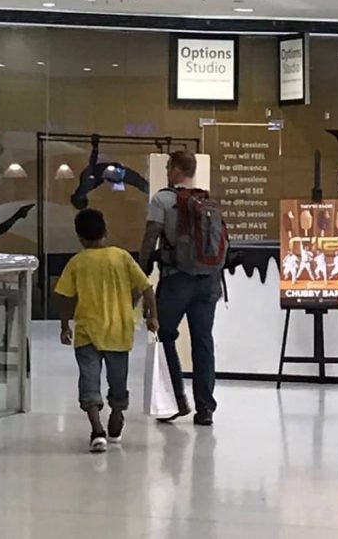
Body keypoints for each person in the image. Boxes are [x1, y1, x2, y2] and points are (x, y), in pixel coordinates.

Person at [56, 208, 158, 453]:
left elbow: (65, 297)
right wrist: (153, 316)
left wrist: (64, 325)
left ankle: (96, 430)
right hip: (118, 332)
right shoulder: (121, 257)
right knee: (118, 380)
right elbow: (146, 287)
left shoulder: (77, 262)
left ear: (79, 236)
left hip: (86, 332)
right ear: (105, 231)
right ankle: (117, 412)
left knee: (88, 381)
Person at [139, 151, 221, 427]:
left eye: (167, 167)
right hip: (209, 282)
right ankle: (205, 408)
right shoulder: (207, 201)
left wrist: (142, 274)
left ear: (174, 169)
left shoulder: (162, 200)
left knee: (164, 333)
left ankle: (176, 401)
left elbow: (150, 239)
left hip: (177, 280)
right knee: (203, 342)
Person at [70, 135, 149, 210]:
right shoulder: (85, 185)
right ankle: (151, 190)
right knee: (137, 181)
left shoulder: (85, 184)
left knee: (137, 181)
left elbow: (92, 165)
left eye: (81, 199)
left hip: (109, 172)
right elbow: (93, 168)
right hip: (109, 172)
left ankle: (151, 190)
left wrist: (95, 147)